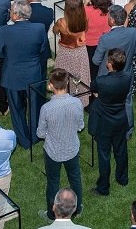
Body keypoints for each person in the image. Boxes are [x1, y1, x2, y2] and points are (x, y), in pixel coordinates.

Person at [0, 0, 50, 148]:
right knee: (35, 106)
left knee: (16, 109)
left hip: (13, 75)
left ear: (15, 15)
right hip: (33, 74)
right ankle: (35, 136)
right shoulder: (40, 28)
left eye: (10, 11)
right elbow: (43, 50)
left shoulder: (5, 30)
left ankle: (24, 140)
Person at [37, 69, 84, 221]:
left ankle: (51, 215)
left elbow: (40, 133)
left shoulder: (46, 108)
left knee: (52, 182)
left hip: (53, 152)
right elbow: (80, 126)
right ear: (68, 82)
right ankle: (77, 209)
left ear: (51, 86)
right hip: (72, 148)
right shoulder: (77, 103)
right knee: (75, 178)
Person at [89, 47, 132, 196]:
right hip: (120, 120)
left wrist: (97, 95)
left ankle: (103, 188)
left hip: (104, 123)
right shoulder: (127, 77)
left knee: (104, 155)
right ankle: (122, 178)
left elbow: (93, 87)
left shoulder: (101, 81)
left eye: (108, 61)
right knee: (121, 152)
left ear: (110, 64)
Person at [93, 6, 136, 140]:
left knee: (104, 104)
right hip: (126, 74)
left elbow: (96, 60)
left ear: (112, 20)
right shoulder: (133, 32)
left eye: (108, 17)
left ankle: (103, 131)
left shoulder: (105, 38)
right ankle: (128, 131)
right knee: (127, 101)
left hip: (107, 77)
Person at [53, 0, 91, 97]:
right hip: (81, 52)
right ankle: (79, 97)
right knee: (80, 77)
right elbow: (85, 29)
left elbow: (55, 31)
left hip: (65, 53)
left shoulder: (61, 22)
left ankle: (63, 97)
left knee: (62, 77)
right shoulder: (85, 20)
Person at [84, 0, 112, 84]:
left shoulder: (86, 10)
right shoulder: (109, 10)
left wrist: (85, 4)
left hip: (88, 45)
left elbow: (81, 25)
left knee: (90, 70)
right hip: (103, 44)